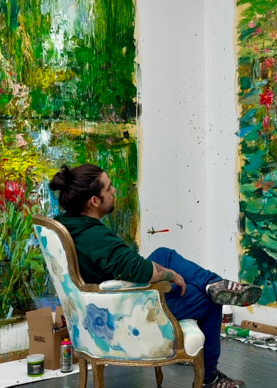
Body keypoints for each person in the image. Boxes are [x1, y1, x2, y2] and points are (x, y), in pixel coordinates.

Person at [48, 164, 262, 388]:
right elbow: (138, 270)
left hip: (96, 307)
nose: (114, 192)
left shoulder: (66, 225)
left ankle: (214, 284)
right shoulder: (96, 237)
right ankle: (210, 377)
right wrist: (171, 275)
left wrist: (167, 272)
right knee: (207, 301)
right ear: (94, 200)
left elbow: (128, 265)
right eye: (109, 188)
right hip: (122, 314)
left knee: (163, 254)